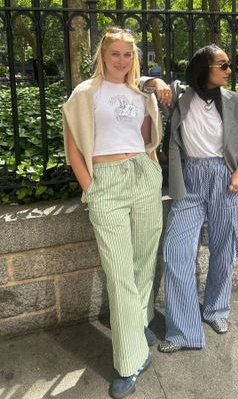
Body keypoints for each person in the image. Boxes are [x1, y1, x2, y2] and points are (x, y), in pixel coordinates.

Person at [62, 27, 171, 398]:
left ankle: (140, 323)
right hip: (105, 182)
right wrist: (90, 189)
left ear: (133, 56)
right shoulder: (85, 94)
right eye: (115, 54)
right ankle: (129, 360)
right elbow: (74, 147)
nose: (121, 60)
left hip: (142, 175)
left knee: (143, 261)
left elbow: (147, 139)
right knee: (119, 272)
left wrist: (153, 169)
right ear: (103, 55)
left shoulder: (141, 92)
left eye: (127, 54)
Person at [143, 44, 238, 353]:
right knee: (176, 252)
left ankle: (216, 310)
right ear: (205, 68)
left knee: (223, 247)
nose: (230, 70)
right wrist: (158, 83)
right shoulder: (180, 97)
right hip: (189, 179)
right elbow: (139, 83)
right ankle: (183, 332)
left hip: (226, 178)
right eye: (224, 64)